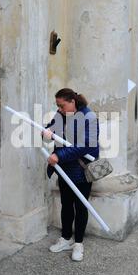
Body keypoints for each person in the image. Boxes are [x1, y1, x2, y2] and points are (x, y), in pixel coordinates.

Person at [42, 89, 100, 262]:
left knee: (81, 206)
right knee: (66, 204)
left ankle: (79, 244)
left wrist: (59, 156)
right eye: (57, 106)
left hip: (81, 169)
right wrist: (45, 134)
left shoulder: (89, 117)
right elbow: (49, 131)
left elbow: (85, 147)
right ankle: (66, 238)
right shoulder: (60, 116)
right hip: (64, 169)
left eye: (62, 105)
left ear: (72, 102)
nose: (59, 109)